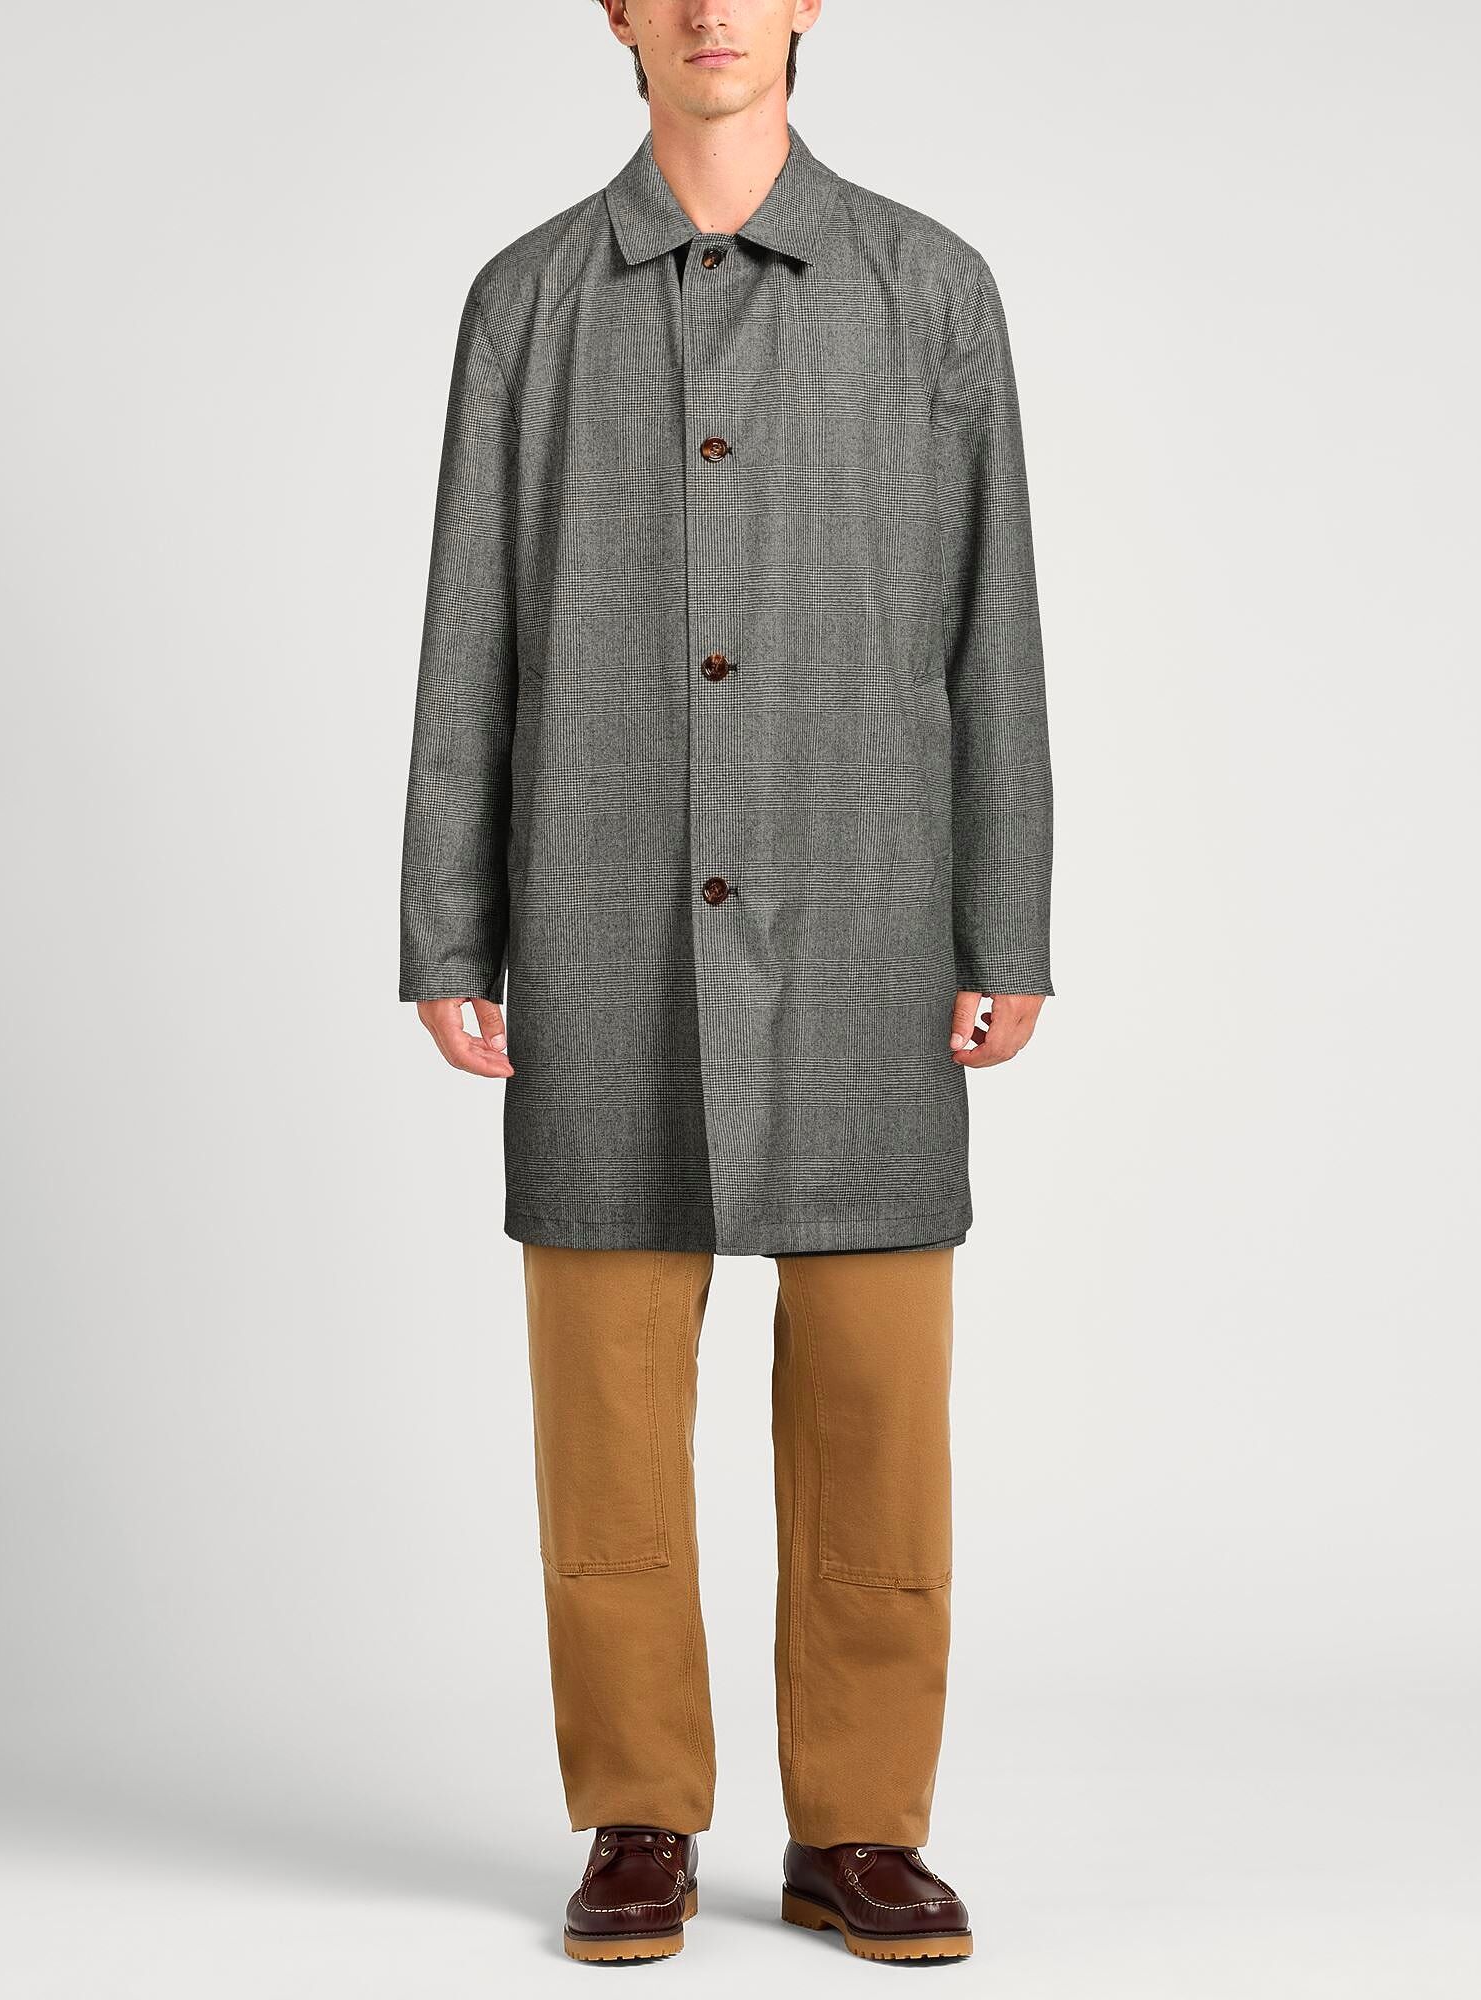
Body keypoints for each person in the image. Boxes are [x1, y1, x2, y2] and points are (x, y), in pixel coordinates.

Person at [399, 0, 1052, 1966]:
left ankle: (860, 1826)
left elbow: (992, 626)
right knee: (604, 1406)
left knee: (875, 1406)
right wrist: (449, 925)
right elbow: (471, 629)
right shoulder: (529, 303)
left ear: (805, 5)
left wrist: (1005, 920)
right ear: (613, 11)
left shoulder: (929, 293)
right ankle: (637, 1813)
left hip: (866, 915)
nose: (708, 11)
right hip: (596, 909)